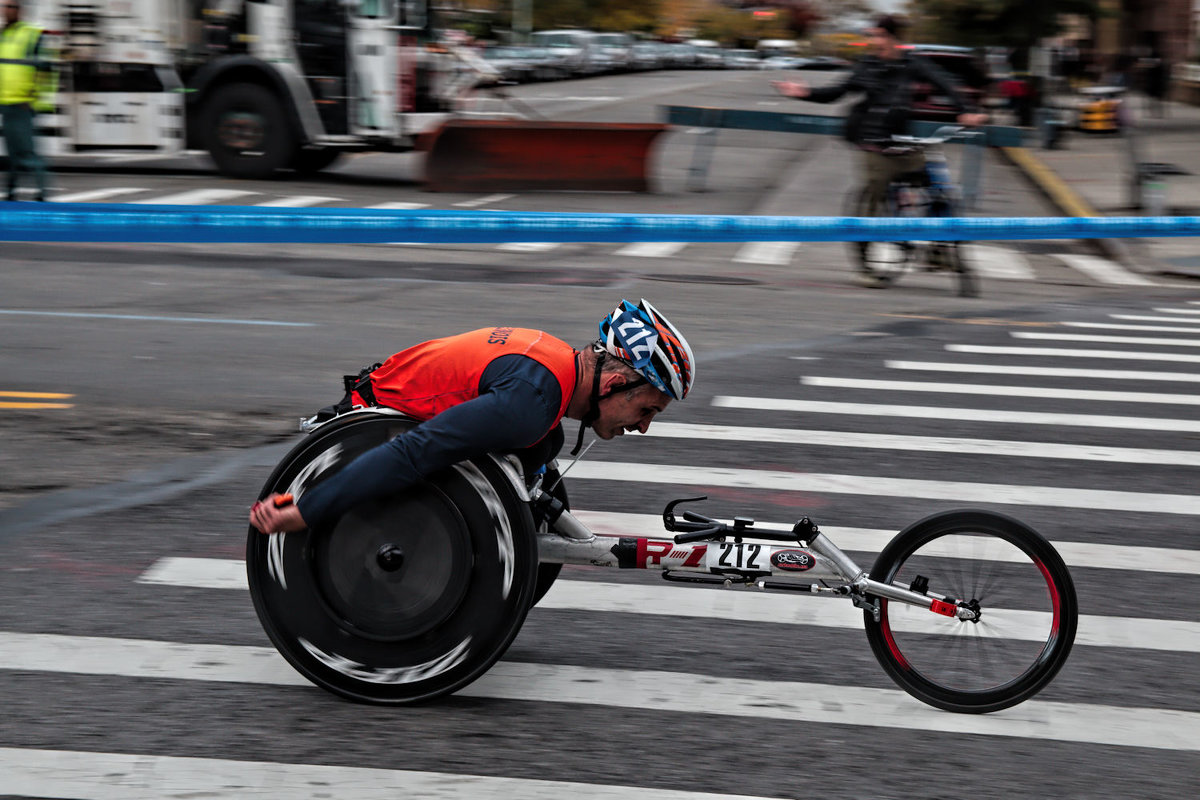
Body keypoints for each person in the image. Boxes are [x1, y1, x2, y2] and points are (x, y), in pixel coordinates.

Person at [249, 299, 696, 535]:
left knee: (544, 444)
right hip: (366, 421)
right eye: (646, 410)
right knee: (537, 437)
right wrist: (309, 508)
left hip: (394, 395)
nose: (642, 426)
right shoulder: (531, 403)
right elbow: (413, 451)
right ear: (614, 384)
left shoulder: (556, 365)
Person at [772, 14, 987, 222]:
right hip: (871, 142)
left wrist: (966, 109)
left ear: (895, 39)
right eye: (873, 35)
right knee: (877, 190)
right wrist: (805, 93)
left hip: (900, 139)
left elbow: (944, 83)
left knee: (935, 187)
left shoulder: (911, 64)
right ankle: (869, 234)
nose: (876, 41)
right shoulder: (866, 65)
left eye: (881, 35)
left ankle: (938, 244)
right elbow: (836, 92)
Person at [0, 0, 52, 202]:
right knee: (12, 154)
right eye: (5, 6)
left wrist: (33, 97)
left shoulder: (31, 34)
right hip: (5, 102)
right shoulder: (3, 34)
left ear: (21, 10)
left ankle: (43, 193)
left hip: (22, 103)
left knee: (28, 153)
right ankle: (11, 193)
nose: (7, 10)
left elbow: (45, 70)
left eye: (12, 6)